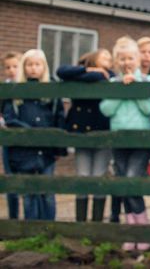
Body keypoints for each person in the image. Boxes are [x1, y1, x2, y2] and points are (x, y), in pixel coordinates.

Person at [99, 37, 150, 251]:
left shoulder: (145, 80)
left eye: (131, 58)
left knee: (132, 180)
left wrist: (134, 88)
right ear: (117, 61)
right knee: (123, 184)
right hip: (119, 138)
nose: (127, 62)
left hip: (141, 139)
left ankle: (141, 231)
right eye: (123, 58)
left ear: (138, 59)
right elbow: (106, 109)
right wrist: (121, 90)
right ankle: (130, 232)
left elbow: (149, 108)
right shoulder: (112, 83)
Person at [2, 49, 65, 220]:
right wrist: (29, 132)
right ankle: (32, 231)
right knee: (29, 193)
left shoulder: (52, 91)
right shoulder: (16, 91)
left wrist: (60, 147)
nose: (33, 68)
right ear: (24, 67)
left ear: (44, 67)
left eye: (37, 64)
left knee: (47, 191)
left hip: (46, 151)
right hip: (24, 150)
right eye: (29, 64)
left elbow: (59, 118)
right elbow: (9, 117)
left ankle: (48, 228)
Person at [57, 49, 114, 223]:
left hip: (102, 131)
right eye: (104, 56)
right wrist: (87, 70)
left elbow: (100, 78)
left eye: (110, 58)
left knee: (98, 176)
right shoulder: (78, 71)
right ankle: (80, 223)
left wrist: (93, 74)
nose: (108, 60)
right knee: (83, 176)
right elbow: (61, 71)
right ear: (93, 57)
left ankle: (96, 224)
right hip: (81, 132)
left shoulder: (109, 75)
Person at [2, 51, 22, 220]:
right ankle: (13, 218)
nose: (11, 70)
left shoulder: (27, 87)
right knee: (10, 180)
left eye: (15, 66)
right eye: (8, 67)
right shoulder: (4, 89)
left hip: (24, 138)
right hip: (9, 139)